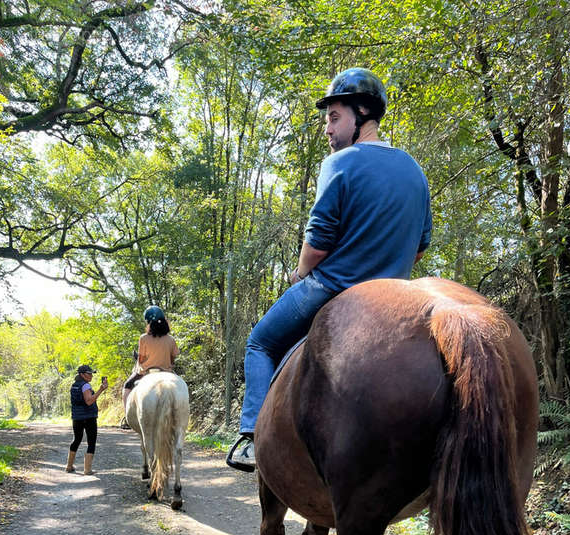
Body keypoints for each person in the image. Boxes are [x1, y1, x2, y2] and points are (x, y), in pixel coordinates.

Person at [226, 67, 432, 472]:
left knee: (260, 342)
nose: (328, 129)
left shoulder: (340, 163)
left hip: (332, 287)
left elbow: (318, 242)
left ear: (362, 116)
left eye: (334, 117)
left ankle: (250, 436)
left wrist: (300, 273)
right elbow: (420, 248)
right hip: (394, 299)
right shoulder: (415, 172)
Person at [122, 306, 180, 408]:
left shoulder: (143, 338)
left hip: (145, 372)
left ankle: (127, 415)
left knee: (127, 385)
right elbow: (172, 359)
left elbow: (141, 359)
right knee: (181, 385)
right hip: (166, 372)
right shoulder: (171, 339)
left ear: (149, 323)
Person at [66, 365, 108, 475]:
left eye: (91, 373)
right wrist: (101, 389)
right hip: (88, 417)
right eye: (89, 373)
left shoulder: (74, 385)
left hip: (77, 417)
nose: (91, 376)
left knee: (76, 440)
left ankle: (69, 466)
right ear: (82, 374)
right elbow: (89, 401)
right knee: (91, 442)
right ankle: (87, 470)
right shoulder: (85, 386)